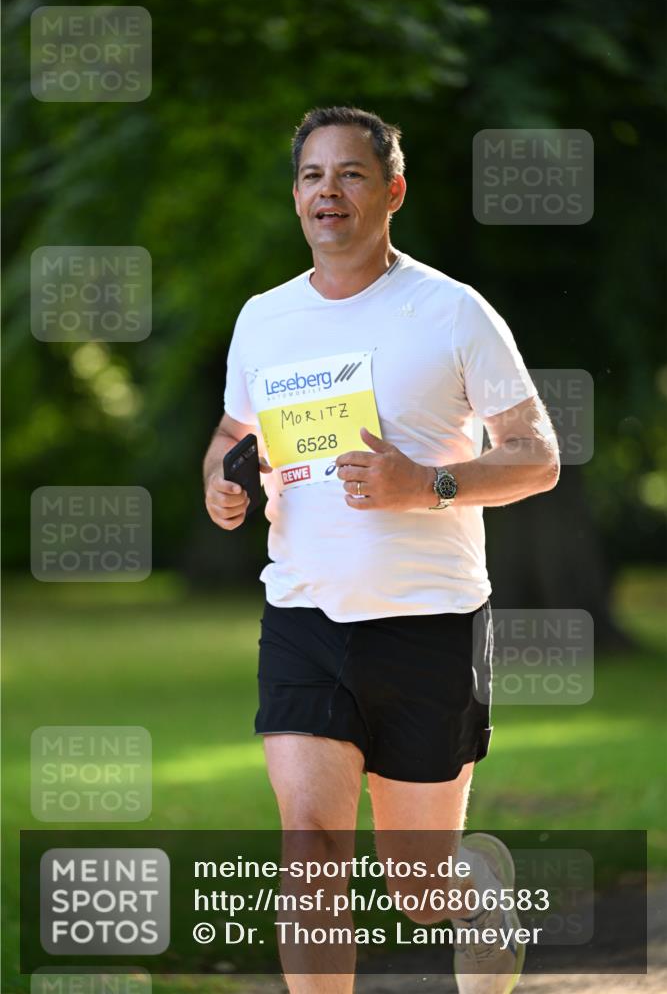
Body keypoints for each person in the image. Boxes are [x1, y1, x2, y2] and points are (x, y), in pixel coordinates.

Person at [203, 106, 560, 994]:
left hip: (429, 621)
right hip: (303, 614)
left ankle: (470, 887)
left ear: (391, 191)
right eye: (313, 176)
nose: (330, 191)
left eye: (352, 174)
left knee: (416, 887)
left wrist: (426, 484)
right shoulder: (264, 318)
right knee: (311, 850)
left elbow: (538, 456)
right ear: (296, 198)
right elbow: (230, 433)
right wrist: (222, 479)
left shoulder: (451, 312)